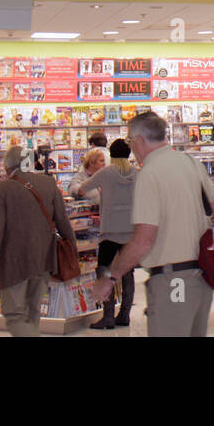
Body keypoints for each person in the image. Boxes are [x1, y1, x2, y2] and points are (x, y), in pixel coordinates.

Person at [100, 112, 214, 337]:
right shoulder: (191, 163)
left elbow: (143, 240)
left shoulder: (149, 174)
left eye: (129, 141)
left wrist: (111, 277)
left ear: (139, 140)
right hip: (202, 278)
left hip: (173, 280)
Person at [0, 146, 78, 337]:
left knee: (14, 315)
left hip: (14, 263)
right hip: (44, 259)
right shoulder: (48, 184)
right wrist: (73, 254)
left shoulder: (2, 189)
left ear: (8, 166)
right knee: (33, 311)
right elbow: (63, 223)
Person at [74, 139, 136, 329]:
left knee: (104, 271)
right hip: (131, 229)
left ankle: (108, 315)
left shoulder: (106, 173)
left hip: (109, 230)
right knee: (128, 272)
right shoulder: (138, 173)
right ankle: (124, 314)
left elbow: (81, 188)